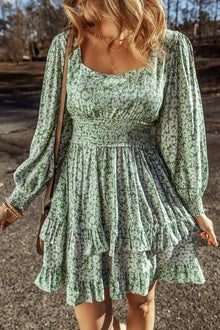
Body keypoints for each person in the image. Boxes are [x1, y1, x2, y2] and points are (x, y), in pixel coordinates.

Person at [0, 0, 218, 329]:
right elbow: (48, 135)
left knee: (141, 303)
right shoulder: (67, 46)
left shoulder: (169, 46)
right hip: (81, 195)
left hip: (142, 195)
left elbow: (181, 135)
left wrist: (194, 203)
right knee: (94, 322)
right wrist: (15, 203)